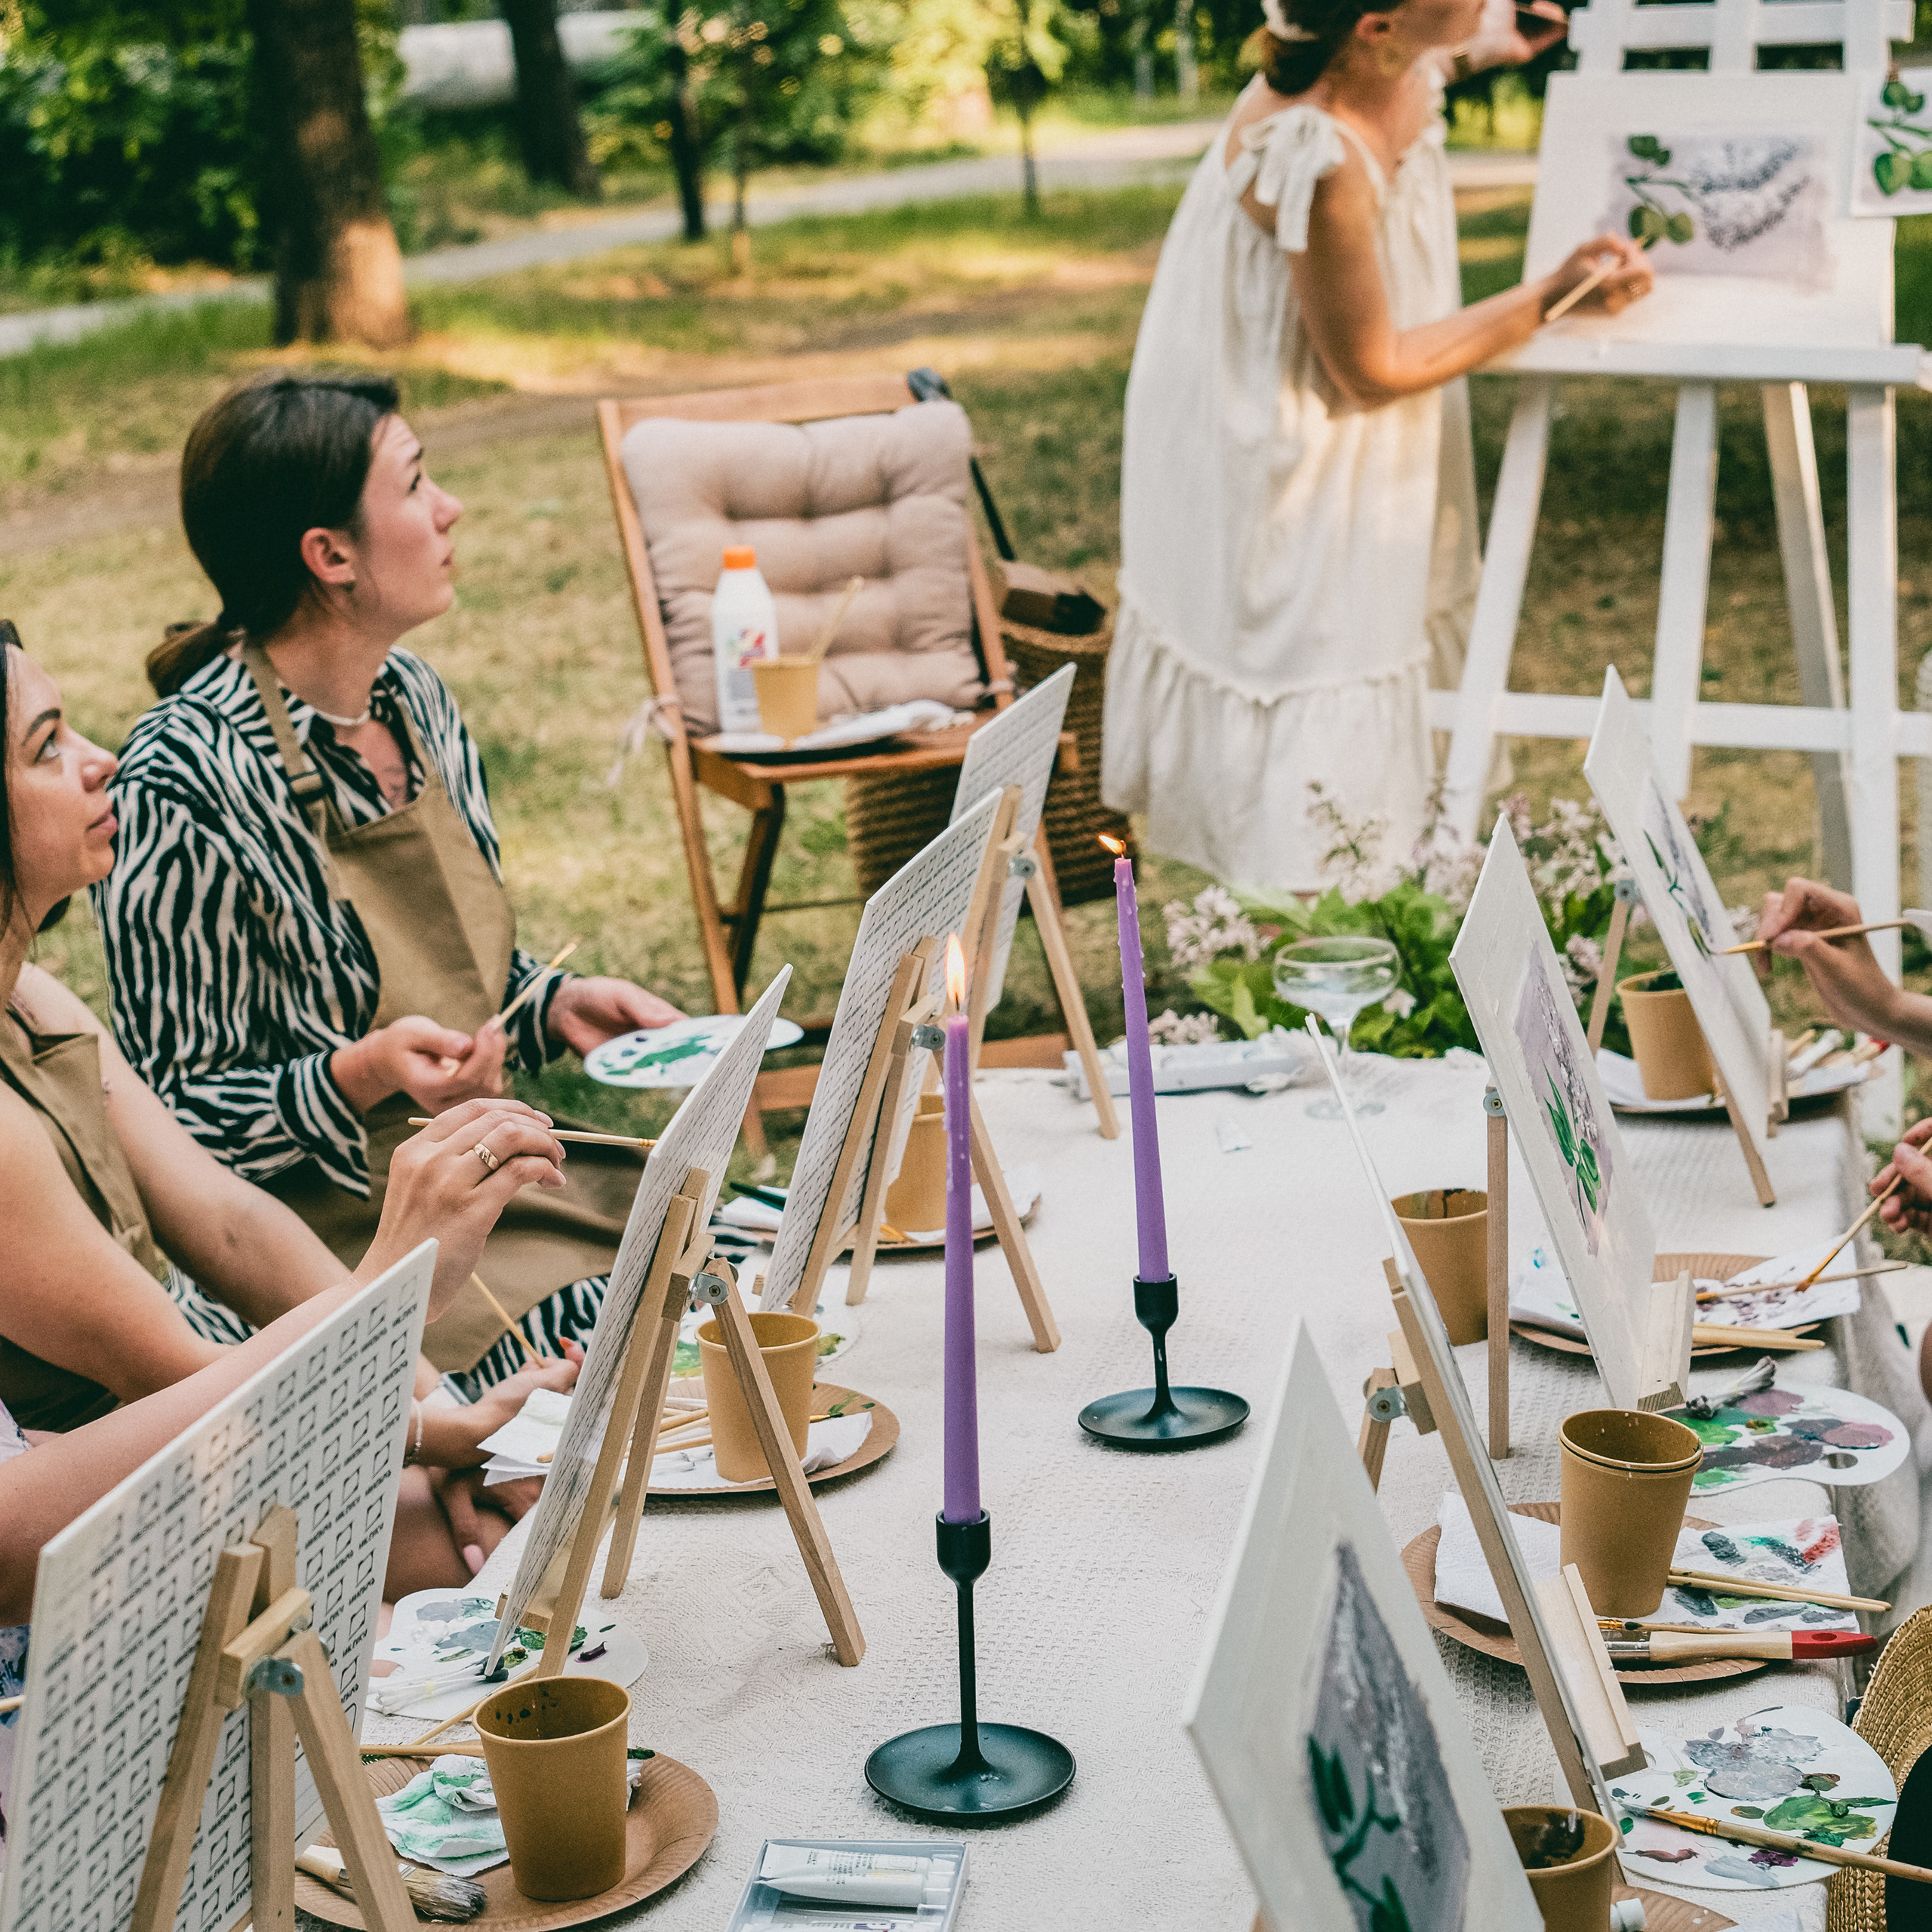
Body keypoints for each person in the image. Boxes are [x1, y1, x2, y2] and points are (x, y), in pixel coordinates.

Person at [94, 372, 683, 1395]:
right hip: (330, 1238)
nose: (449, 508)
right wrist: (359, 1076)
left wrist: (551, 1006)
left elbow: (457, 977)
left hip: (483, 1178)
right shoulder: (179, 780)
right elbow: (174, 1121)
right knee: (629, 1340)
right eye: (416, 487)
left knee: (719, 1253)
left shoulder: (413, 699)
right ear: (331, 557)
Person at [0, 620, 579, 1595]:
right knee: (529, 1539)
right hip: (115, 1501)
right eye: (46, 746)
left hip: (221, 1416)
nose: (100, 761)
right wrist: (440, 1440)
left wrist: (452, 1409)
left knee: (539, 1492)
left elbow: (233, 1228)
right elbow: (166, 1370)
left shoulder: (31, 995)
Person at [1104, 0, 1653, 891]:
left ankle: (1372, 909)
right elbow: (1370, 366)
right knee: (1322, 649)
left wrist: (1480, 47)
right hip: (1297, 446)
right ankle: (1320, 927)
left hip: (1346, 434)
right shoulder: (1315, 152)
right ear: (1375, 26)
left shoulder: (1359, 57)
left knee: (1377, 624)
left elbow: (1415, 61)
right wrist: (1553, 295)